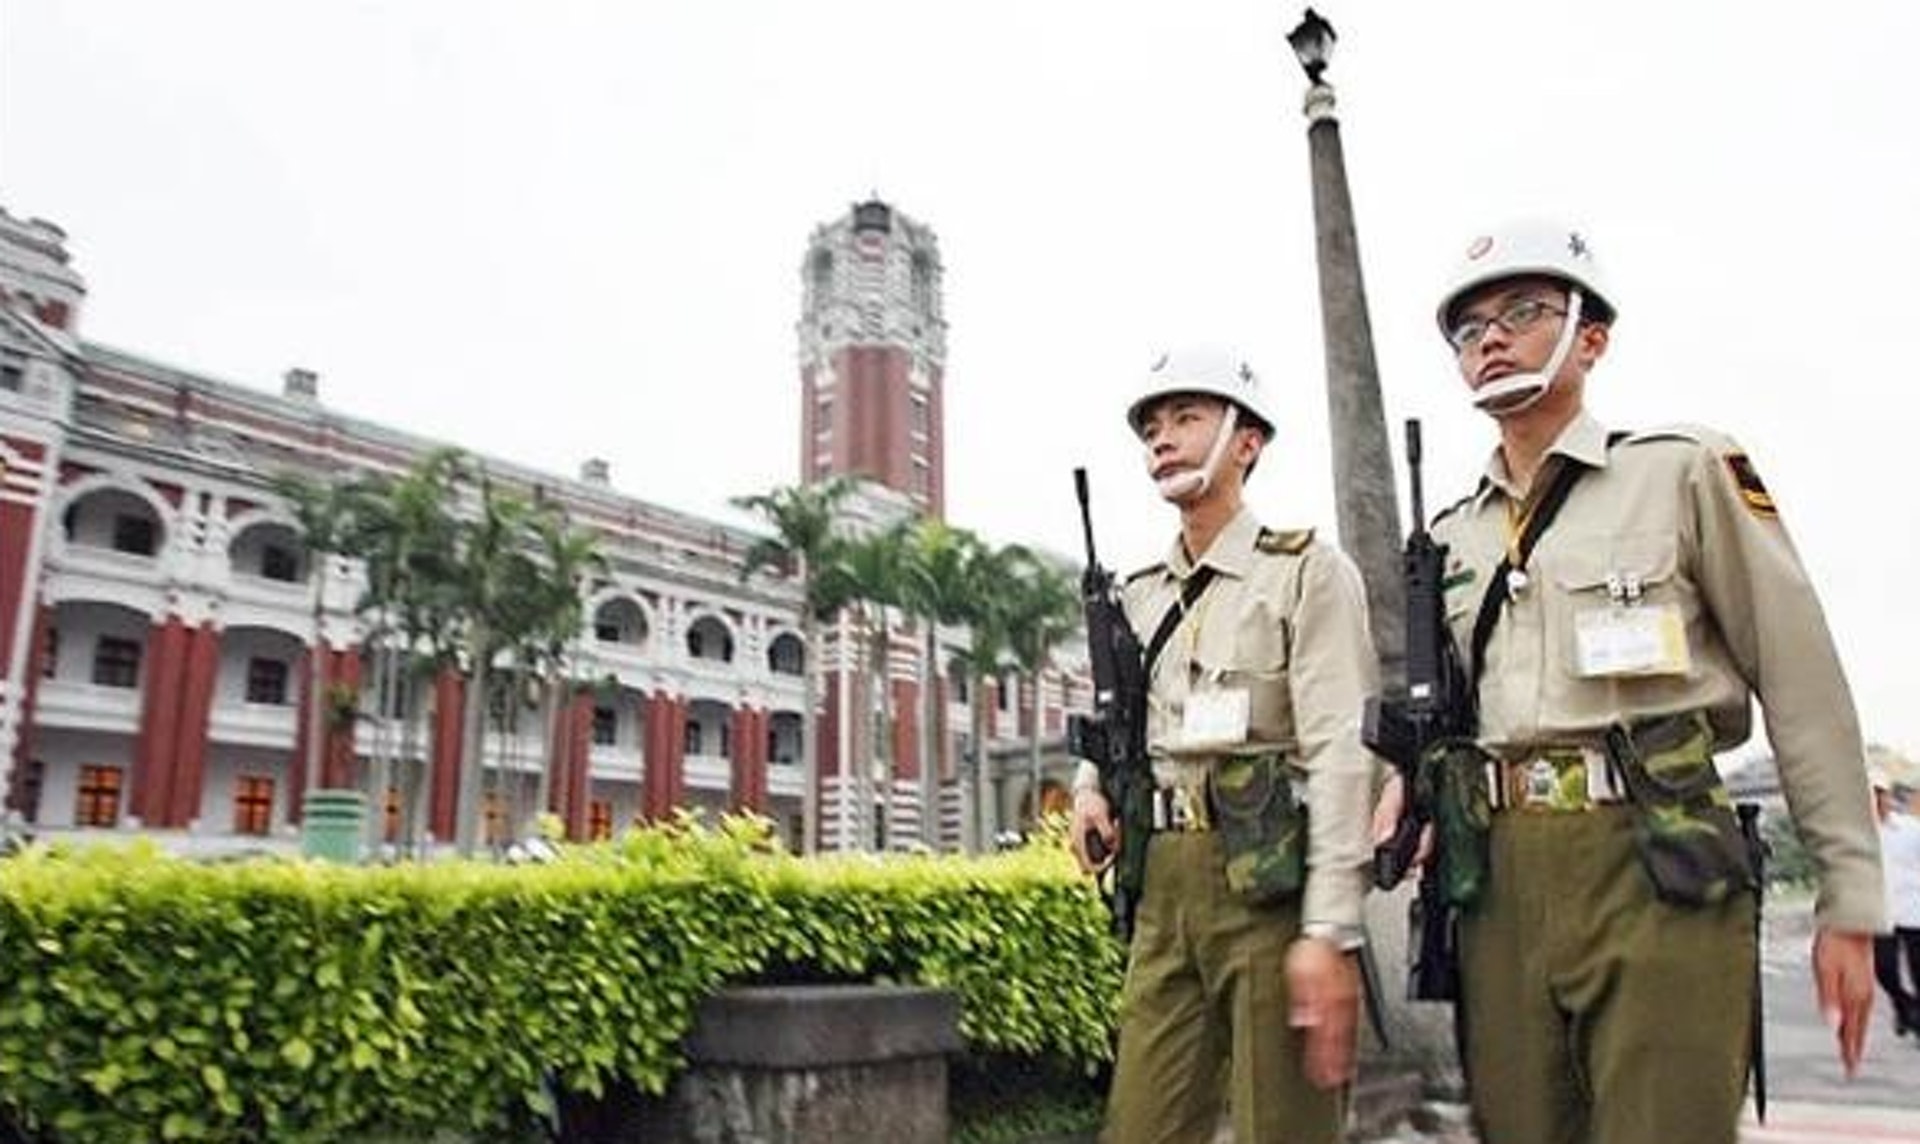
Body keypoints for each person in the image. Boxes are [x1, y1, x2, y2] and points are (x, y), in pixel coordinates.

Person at [1375, 220, 1885, 1143]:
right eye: (1469, 329)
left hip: (1657, 858)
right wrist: (1405, 787)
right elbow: (1447, 715)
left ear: (1592, 337)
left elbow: (1800, 680)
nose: (1491, 340)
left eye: (1522, 312)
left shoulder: (1683, 471)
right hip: (1495, 879)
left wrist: (1849, 897)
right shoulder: (1449, 538)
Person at [1069, 348, 1377, 1144]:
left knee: (1285, 1127)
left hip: (1265, 876)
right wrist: (1088, 788)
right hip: (1163, 883)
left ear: (1248, 441)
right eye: (1151, 427)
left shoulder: (1306, 573)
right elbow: (1118, 723)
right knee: (1140, 1126)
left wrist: (1329, 929)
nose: (1162, 439)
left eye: (1186, 418)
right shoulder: (1138, 596)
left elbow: (1342, 753)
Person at [1871, 761, 1920, 1038]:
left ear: (1889, 796)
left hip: (1914, 910)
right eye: (1871, 794)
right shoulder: (1858, 835)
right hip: (1881, 913)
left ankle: (1915, 1018)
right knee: (1884, 970)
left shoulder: (1912, 829)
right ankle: (1904, 1005)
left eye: (1881, 793)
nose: (1877, 799)